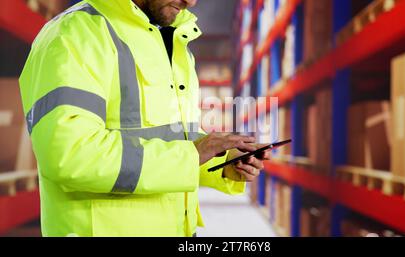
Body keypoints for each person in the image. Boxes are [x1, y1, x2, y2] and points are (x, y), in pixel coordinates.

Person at [19, 0, 271, 237]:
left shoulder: (172, 44)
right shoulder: (74, 35)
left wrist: (221, 163)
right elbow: (70, 155)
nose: (191, 2)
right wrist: (193, 155)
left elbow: (171, 141)